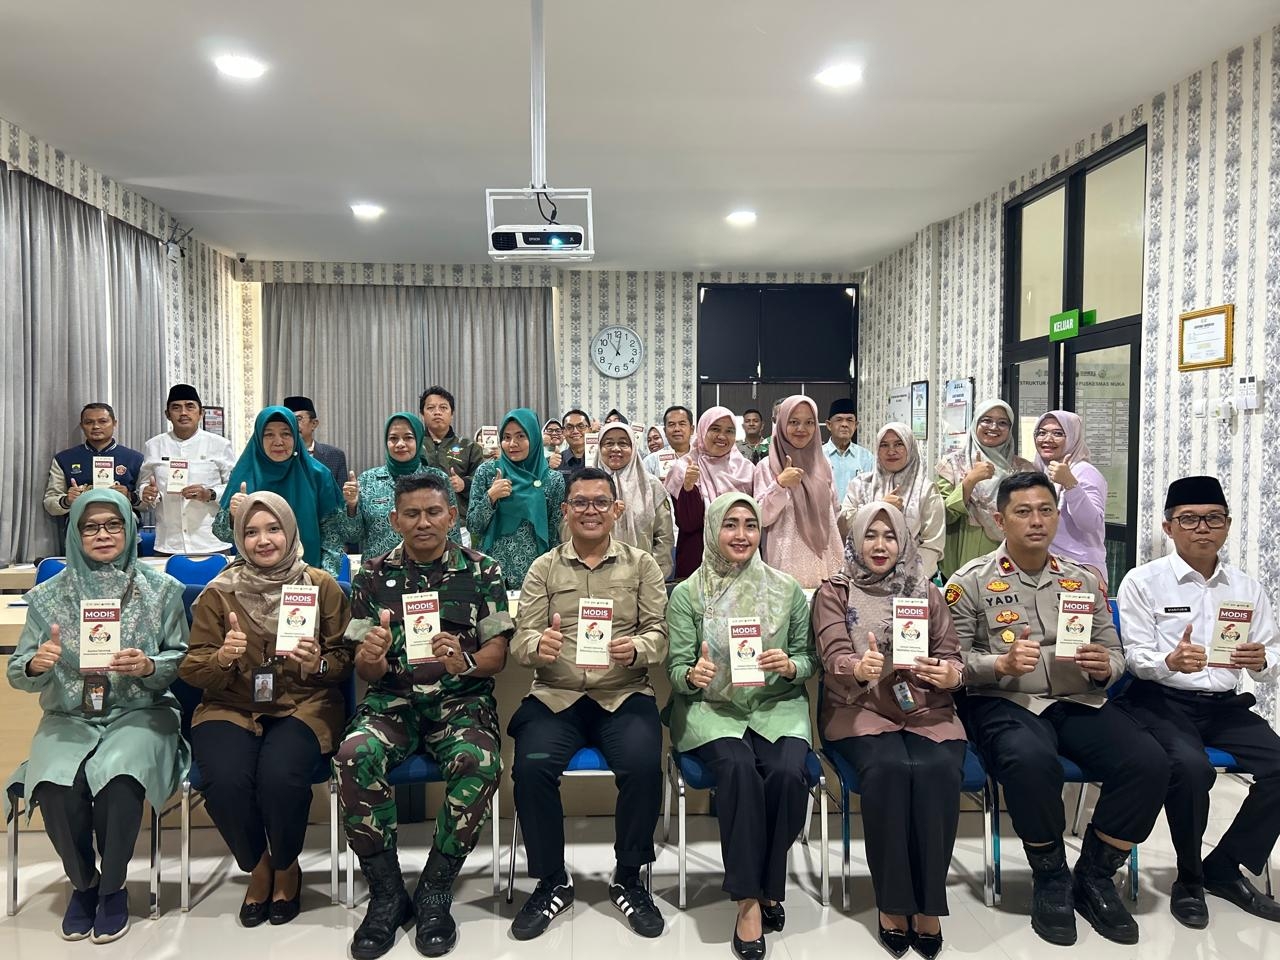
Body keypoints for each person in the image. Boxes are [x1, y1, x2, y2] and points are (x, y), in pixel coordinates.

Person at [946, 471, 1169, 946]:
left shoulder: (1082, 578)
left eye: (1046, 510)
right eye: (1023, 512)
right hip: (1006, 700)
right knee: (1029, 760)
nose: (1036, 521)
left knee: (1150, 762)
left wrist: (1105, 666)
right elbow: (952, 661)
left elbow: (1114, 651)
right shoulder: (971, 582)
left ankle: (1095, 874)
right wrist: (998, 663)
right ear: (1000, 520)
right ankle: (1049, 873)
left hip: (1077, 699)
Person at [334, 474, 511, 958]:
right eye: (411, 514)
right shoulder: (371, 575)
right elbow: (364, 667)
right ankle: (387, 893)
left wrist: (465, 662)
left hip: (461, 702)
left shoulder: (483, 571)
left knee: (480, 761)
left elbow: (498, 652)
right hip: (392, 702)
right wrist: (372, 655)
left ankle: (435, 886)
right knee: (352, 756)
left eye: (433, 512)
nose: (423, 522)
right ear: (395, 520)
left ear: (451, 516)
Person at [5, 489, 189, 943]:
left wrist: (149, 666)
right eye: (90, 527)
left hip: (140, 710)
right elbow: (18, 671)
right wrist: (36, 664)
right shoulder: (47, 597)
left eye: (113, 524)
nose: (103, 534)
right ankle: (84, 884)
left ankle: (113, 889)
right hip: (69, 715)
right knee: (55, 783)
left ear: (130, 529)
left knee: (120, 776)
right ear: (75, 533)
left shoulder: (161, 590)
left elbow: (180, 658)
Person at [507, 467, 668, 940]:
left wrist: (637, 648)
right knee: (531, 767)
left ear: (617, 510)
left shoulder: (642, 565)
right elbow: (520, 640)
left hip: (623, 692)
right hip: (557, 695)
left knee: (643, 766)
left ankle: (629, 877)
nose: (590, 511)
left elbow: (660, 634)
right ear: (566, 510)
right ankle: (551, 880)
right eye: (580, 502)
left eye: (600, 502)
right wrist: (539, 646)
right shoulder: (543, 568)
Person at [1115, 475, 1280, 927]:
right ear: (1168, 527)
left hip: (1224, 705)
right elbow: (1133, 656)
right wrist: (1168, 661)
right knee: (1191, 769)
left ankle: (1224, 866)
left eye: (1213, 518)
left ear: (1227, 525)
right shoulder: (1143, 581)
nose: (1202, 528)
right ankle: (1189, 877)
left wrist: (1262, 660)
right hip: (1159, 700)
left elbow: (1271, 655)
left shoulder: (1246, 587)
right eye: (1189, 519)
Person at [180, 492, 352, 927]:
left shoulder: (321, 586)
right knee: (224, 779)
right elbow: (193, 668)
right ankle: (258, 866)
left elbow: (345, 659)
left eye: (273, 529)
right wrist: (222, 658)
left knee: (280, 776)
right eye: (252, 532)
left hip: (304, 703)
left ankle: (287, 865)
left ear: (290, 531)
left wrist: (320, 662)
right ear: (239, 538)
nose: (263, 540)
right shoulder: (219, 593)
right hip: (231, 704)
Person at [665, 492, 815, 960]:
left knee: (788, 774)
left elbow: (808, 659)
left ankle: (765, 880)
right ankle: (750, 900)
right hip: (712, 709)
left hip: (776, 705)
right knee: (738, 770)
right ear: (714, 530)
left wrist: (790, 666)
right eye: (730, 524)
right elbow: (676, 668)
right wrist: (692, 675)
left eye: (750, 525)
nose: (741, 535)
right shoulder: (689, 593)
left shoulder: (786, 589)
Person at [814, 502, 965, 960]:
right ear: (855, 540)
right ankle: (895, 901)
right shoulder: (835, 590)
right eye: (870, 535)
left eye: (890, 536)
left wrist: (950, 674)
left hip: (925, 711)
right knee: (890, 769)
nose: (880, 546)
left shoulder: (926, 590)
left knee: (938, 770)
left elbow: (952, 655)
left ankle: (929, 903)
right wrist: (857, 667)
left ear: (904, 542)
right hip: (858, 708)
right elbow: (832, 655)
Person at [213, 406, 345, 579]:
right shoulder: (243, 475)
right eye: (269, 435)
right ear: (258, 438)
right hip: (254, 579)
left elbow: (332, 535)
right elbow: (222, 534)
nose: (278, 441)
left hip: (306, 578)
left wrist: (324, 578)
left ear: (296, 436)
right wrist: (233, 516)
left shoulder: (318, 475)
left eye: (286, 434)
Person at [467, 408, 566, 590]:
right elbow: (473, 525)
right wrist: (491, 497)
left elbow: (554, 535)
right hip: (492, 572)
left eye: (521, 436)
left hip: (536, 574)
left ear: (534, 437)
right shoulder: (487, 472)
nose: (512, 443)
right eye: (506, 437)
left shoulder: (552, 480)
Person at [336, 412, 458, 557]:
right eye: (393, 438)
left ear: (419, 440)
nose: (400, 444)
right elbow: (351, 536)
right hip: (379, 568)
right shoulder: (367, 480)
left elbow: (453, 534)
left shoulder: (438, 479)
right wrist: (352, 506)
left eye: (408, 438)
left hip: (431, 568)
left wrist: (455, 567)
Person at [935, 400, 1034, 577]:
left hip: (1012, 561)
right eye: (986, 420)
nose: (994, 427)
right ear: (975, 423)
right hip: (961, 562)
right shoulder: (951, 465)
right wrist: (970, 480)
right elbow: (943, 516)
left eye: (1002, 423)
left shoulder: (1024, 470)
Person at [754, 396, 843, 588]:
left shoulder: (824, 465)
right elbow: (760, 517)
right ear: (781, 424)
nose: (801, 429)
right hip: (784, 565)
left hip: (825, 562)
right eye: (793, 422)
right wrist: (780, 485)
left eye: (809, 422)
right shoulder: (767, 466)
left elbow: (834, 513)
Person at [138, 384, 236, 555]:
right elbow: (145, 484)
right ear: (167, 414)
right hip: (168, 544)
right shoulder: (154, 445)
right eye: (176, 408)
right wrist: (146, 493)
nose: (183, 413)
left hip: (211, 543)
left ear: (201, 413)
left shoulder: (220, 445)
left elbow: (233, 487)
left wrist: (210, 494)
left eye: (190, 406)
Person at [841, 423, 947, 581]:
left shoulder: (926, 490)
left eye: (898, 444)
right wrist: (879, 506)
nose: (891, 451)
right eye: (884, 445)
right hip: (861, 577)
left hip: (910, 581)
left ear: (910, 447)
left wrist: (905, 578)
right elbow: (843, 526)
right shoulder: (860, 485)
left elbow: (933, 544)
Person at [664, 406, 755, 579]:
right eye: (715, 429)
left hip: (740, 561)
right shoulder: (684, 467)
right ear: (702, 430)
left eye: (729, 431)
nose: (722, 436)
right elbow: (689, 524)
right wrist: (688, 487)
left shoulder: (746, 469)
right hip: (697, 562)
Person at [1031, 410, 1108, 593]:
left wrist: (1070, 484)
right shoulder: (1041, 471)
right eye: (1041, 433)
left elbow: (1091, 523)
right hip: (1047, 568)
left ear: (1073, 437)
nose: (1047, 439)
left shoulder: (1084, 472)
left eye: (1058, 433)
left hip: (1079, 571)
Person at [43, 403, 145, 540]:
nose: (96, 426)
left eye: (102, 421)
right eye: (89, 422)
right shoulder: (64, 459)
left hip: (124, 533)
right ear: (81, 426)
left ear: (115, 423)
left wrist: (130, 496)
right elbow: (50, 502)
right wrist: (67, 500)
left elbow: (148, 504)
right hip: (81, 534)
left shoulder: (134, 458)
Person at [596, 420, 675, 578]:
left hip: (643, 575)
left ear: (633, 448)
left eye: (623, 443)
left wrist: (653, 574)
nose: (616, 448)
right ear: (599, 448)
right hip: (596, 574)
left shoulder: (651, 486)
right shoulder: (586, 486)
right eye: (609, 443)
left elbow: (664, 537)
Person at [418, 386, 487, 505]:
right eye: (431, 408)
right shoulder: (414, 446)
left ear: (452, 414)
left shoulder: (469, 447)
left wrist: (464, 484)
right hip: (421, 511)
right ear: (422, 415)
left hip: (458, 514)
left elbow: (483, 481)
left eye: (443, 407)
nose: (437, 412)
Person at [282, 395, 347, 494]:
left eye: (298, 419)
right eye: (288, 420)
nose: (293, 424)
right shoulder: (278, 453)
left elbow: (341, 498)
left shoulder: (335, 455)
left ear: (314, 423)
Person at [822, 399, 874, 498]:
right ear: (829, 425)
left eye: (849, 420)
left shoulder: (867, 457)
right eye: (839, 420)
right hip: (825, 508)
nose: (844, 424)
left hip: (858, 508)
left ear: (855, 425)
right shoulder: (818, 455)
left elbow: (872, 490)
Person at [642, 405, 694, 478]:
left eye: (682, 424)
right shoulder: (650, 461)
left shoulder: (702, 457)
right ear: (665, 431)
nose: (677, 429)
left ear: (692, 429)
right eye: (671, 425)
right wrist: (657, 483)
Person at [556, 408, 592, 479]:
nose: (575, 431)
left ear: (590, 430)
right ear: (563, 432)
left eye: (581, 426)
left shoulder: (600, 459)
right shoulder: (556, 462)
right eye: (569, 427)